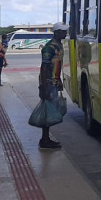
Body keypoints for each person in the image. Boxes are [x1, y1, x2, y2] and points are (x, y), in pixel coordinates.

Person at [38, 21, 68, 149]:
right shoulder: (49, 48)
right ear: (56, 32)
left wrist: (59, 79)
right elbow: (44, 68)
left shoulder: (59, 46)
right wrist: (43, 87)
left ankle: (46, 138)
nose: (65, 33)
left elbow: (56, 66)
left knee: (50, 111)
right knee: (47, 111)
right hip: (48, 83)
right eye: (63, 31)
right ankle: (44, 140)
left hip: (53, 82)